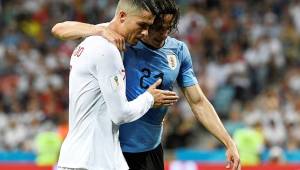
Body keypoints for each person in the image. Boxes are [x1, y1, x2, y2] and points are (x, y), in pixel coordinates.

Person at [52, 0, 241, 169]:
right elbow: (60, 29)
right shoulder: (122, 38)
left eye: (169, 27)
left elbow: (198, 102)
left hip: (151, 151)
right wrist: (99, 29)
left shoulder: (178, 51)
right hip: (115, 149)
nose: (163, 34)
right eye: (158, 27)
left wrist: (228, 142)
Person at [55, 0, 179, 170]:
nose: (144, 33)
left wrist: (97, 30)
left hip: (86, 158)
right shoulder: (107, 49)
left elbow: (59, 28)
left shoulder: (97, 39)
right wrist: (150, 98)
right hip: (91, 162)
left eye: (148, 27)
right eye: (141, 25)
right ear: (122, 16)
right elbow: (120, 114)